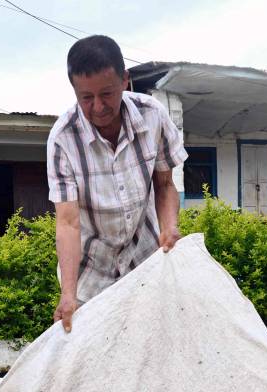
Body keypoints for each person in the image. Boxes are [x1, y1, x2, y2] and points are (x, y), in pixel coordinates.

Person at [46, 35, 187, 333]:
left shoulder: (153, 115)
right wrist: (68, 295)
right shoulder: (62, 140)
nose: (98, 107)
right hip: (90, 272)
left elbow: (164, 185)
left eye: (107, 94)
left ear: (124, 80)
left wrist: (170, 227)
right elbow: (68, 222)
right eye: (86, 97)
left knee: (152, 344)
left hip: (146, 257)